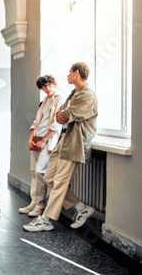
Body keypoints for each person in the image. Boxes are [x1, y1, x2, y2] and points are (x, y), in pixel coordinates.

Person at [24, 62, 98, 232]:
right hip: (63, 141)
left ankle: (46, 219)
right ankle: (81, 208)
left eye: (69, 72)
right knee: (49, 178)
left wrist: (63, 114)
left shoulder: (87, 95)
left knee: (60, 182)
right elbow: (61, 115)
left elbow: (63, 116)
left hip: (75, 143)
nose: (67, 75)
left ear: (77, 73)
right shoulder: (74, 93)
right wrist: (62, 114)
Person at [19, 75, 66, 217]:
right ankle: (34, 202)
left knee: (40, 171)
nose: (47, 88)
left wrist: (43, 140)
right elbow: (36, 121)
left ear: (54, 83)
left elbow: (57, 125)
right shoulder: (45, 100)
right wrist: (31, 138)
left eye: (49, 84)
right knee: (34, 172)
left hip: (48, 141)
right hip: (37, 138)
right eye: (44, 86)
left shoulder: (60, 98)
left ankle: (40, 205)